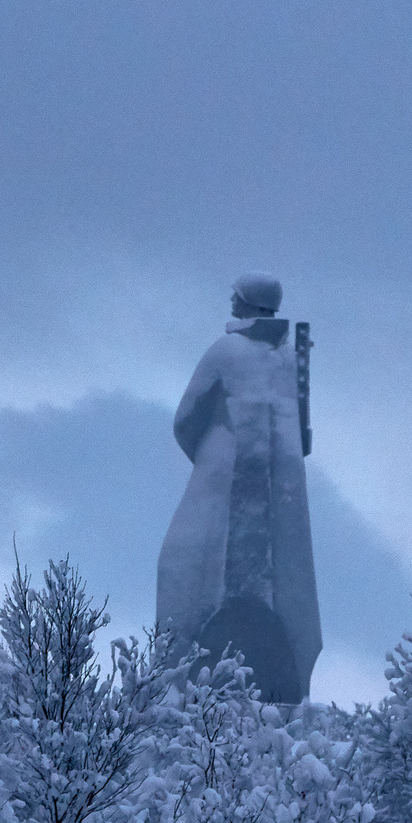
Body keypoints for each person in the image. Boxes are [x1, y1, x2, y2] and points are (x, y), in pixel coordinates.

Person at [155, 275, 321, 703]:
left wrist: (213, 459)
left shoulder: (225, 351)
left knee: (185, 572)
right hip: (282, 499)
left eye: (236, 295)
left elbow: (186, 419)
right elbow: (302, 440)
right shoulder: (290, 358)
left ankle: (176, 683)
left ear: (247, 303)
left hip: (220, 482)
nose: (230, 299)